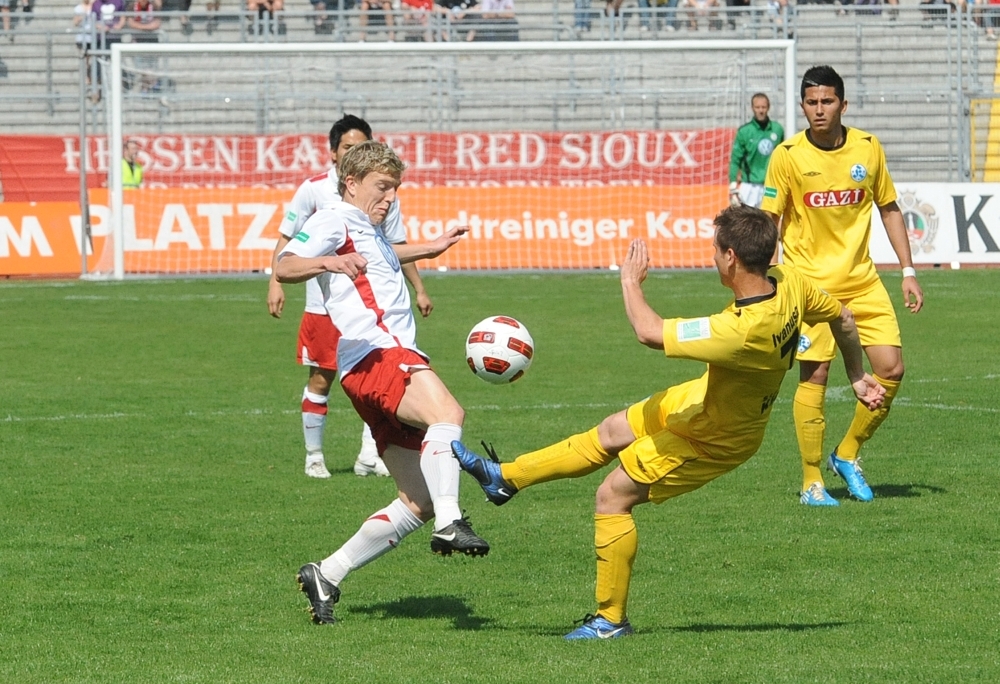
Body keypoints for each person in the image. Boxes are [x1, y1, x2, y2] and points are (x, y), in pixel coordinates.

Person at [452, 205, 885, 639]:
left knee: (612, 498)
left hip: (716, 437)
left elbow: (650, 331)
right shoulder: (790, 281)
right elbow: (843, 318)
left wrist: (629, 281)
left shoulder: (741, 330)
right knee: (612, 431)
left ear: (731, 256)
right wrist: (856, 374)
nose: (712, 255)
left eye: (715, 248)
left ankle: (610, 621)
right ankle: (505, 478)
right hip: (703, 399)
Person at [277, 141, 490, 625]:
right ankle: (452, 522)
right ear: (351, 183)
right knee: (448, 414)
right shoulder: (333, 219)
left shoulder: (366, 228)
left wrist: (432, 247)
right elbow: (285, 265)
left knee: (417, 500)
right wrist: (327, 263)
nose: (391, 197)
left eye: (395, 188)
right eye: (383, 186)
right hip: (378, 354)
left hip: (367, 367)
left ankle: (327, 573)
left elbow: (382, 253)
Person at [761, 65, 924, 507]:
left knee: (891, 369)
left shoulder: (868, 148)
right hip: (809, 287)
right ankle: (812, 481)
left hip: (862, 281)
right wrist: (770, 280)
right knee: (815, 374)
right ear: (802, 107)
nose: (819, 110)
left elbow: (889, 208)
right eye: (811, 102)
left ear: (843, 105)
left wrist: (908, 271)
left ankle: (847, 453)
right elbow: (769, 221)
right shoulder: (787, 155)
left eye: (827, 101)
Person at [267, 115, 433, 480]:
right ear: (333, 153)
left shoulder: (383, 192)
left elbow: (391, 246)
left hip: (371, 307)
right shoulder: (314, 190)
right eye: (347, 146)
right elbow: (288, 240)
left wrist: (419, 286)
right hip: (323, 306)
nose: (353, 151)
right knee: (321, 379)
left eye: (361, 146)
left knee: (379, 381)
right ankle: (314, 456)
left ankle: (370, 456)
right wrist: (275, 283)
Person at [728, 93, 784, 209]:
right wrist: (733, 185)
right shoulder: (744, 131)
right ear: (752, 108)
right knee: (746, 218)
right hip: (749, 186)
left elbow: (783, 158)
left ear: (768, 107)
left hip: (770, 185)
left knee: (770, 216)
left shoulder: (777, 129)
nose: (761, 110)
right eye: (757, 107)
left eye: (763, 107)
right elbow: (735, 159)